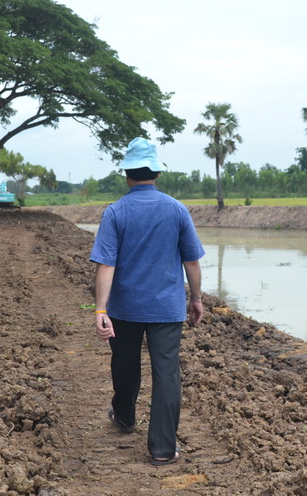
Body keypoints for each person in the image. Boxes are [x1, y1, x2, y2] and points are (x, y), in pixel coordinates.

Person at [89, 137, 205, 466]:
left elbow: (106, 265)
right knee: (166, 373)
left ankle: (125, 417)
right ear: (157, 173)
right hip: (167, 309)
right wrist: (196, 298)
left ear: (127, 174)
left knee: (125, 365)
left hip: (124, 309)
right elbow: (192, 261)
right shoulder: (177, 209)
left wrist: (100, 309)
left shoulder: (115, 212)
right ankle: (163, 448)